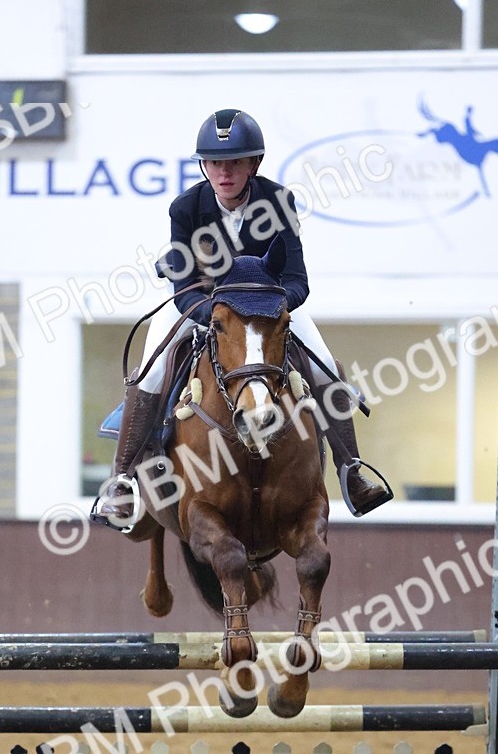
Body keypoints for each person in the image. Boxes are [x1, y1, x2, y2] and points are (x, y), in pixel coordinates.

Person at [97, 108, 390, 522]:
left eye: (235, 161)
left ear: (254, 163)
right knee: (151, 369)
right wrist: (214, 315)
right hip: (203, 307)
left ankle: (352, 470)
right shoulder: (185, 208)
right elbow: (182, 285)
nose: (224, 171)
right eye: (215, 162)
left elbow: (297, 280)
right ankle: (122, 480)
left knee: (326, 366)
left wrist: (270, 308)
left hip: (269, 309)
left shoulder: (278, 201)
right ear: (204, 165)